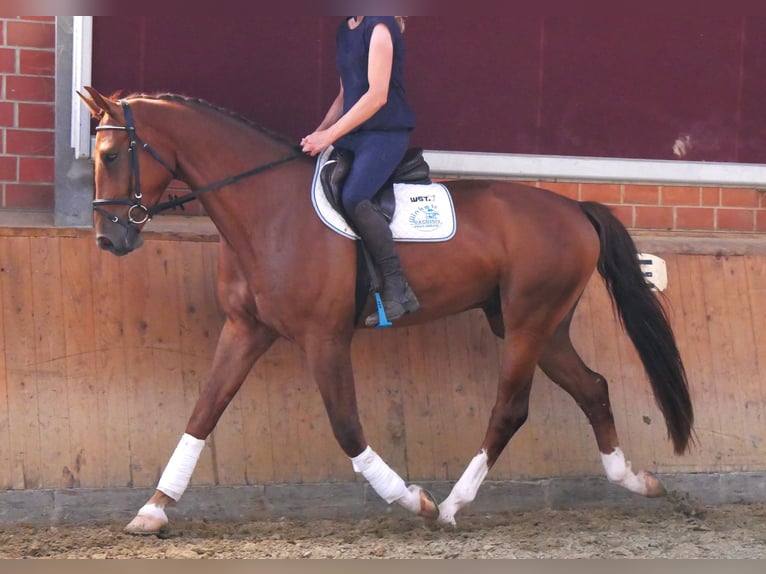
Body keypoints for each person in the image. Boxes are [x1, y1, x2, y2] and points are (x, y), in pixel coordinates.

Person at [301, 16, 419, 327]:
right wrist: (318, 133)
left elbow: (376, 96)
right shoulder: (344, 30)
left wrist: (330, 136)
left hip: (385, 133)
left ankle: (398, 287)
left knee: (354, 196)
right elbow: (345, 96)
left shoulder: (379, 28)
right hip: (354, 135)